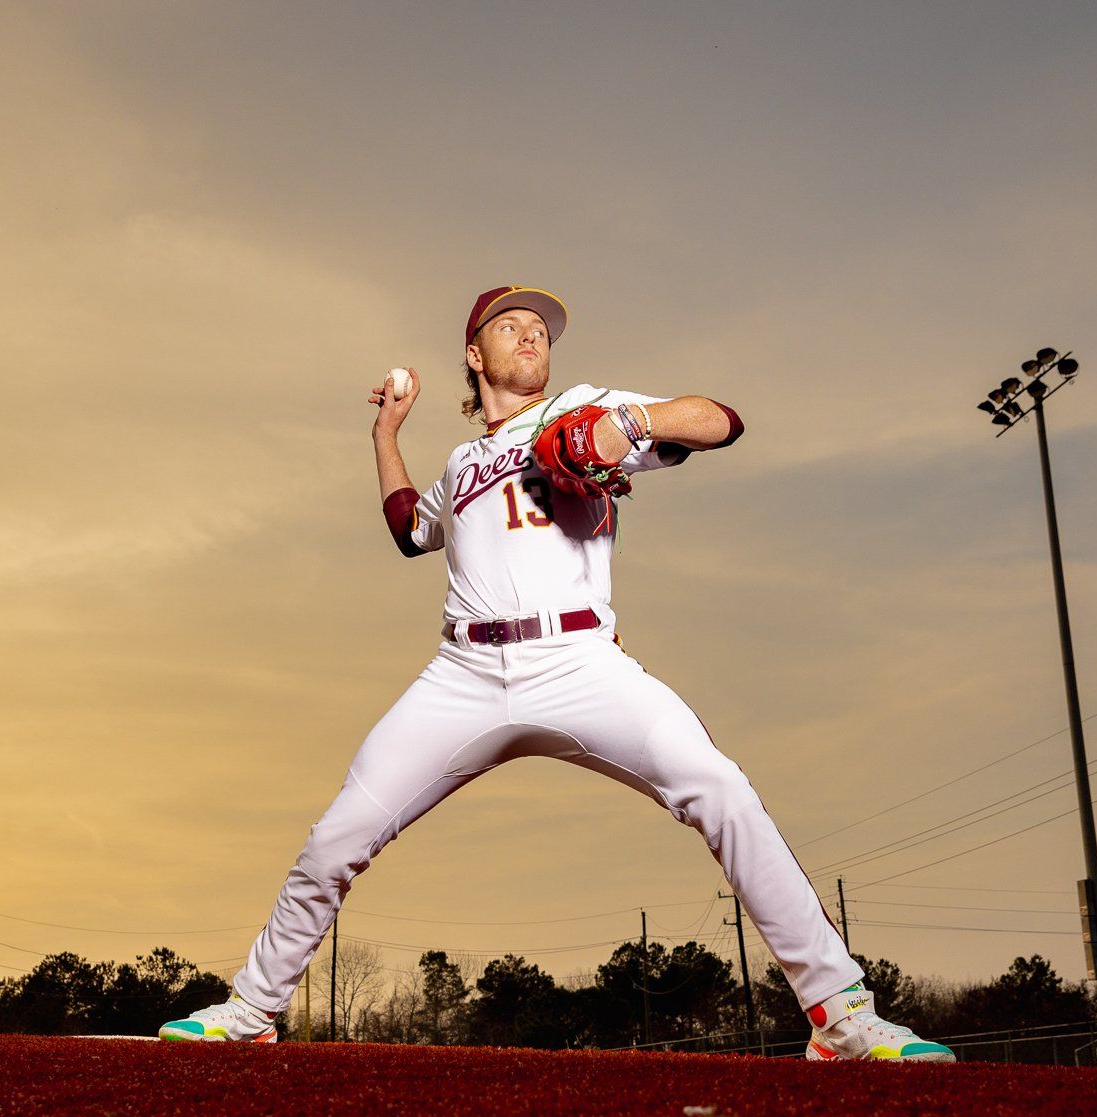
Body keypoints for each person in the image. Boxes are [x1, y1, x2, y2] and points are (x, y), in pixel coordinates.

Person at [159, 285, 954, 1062]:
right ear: (475, 355)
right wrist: (386, 430)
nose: (533, 334)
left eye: (541, 327)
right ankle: (254, 1009)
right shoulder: (463, 458)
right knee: (334, 839)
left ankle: (842, 1018)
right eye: (512, 325)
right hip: (462, 672)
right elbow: (409, 530)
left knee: (722, 791)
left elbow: (721, 421)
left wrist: (628, 425)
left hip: (579, 663)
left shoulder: (580, 405)